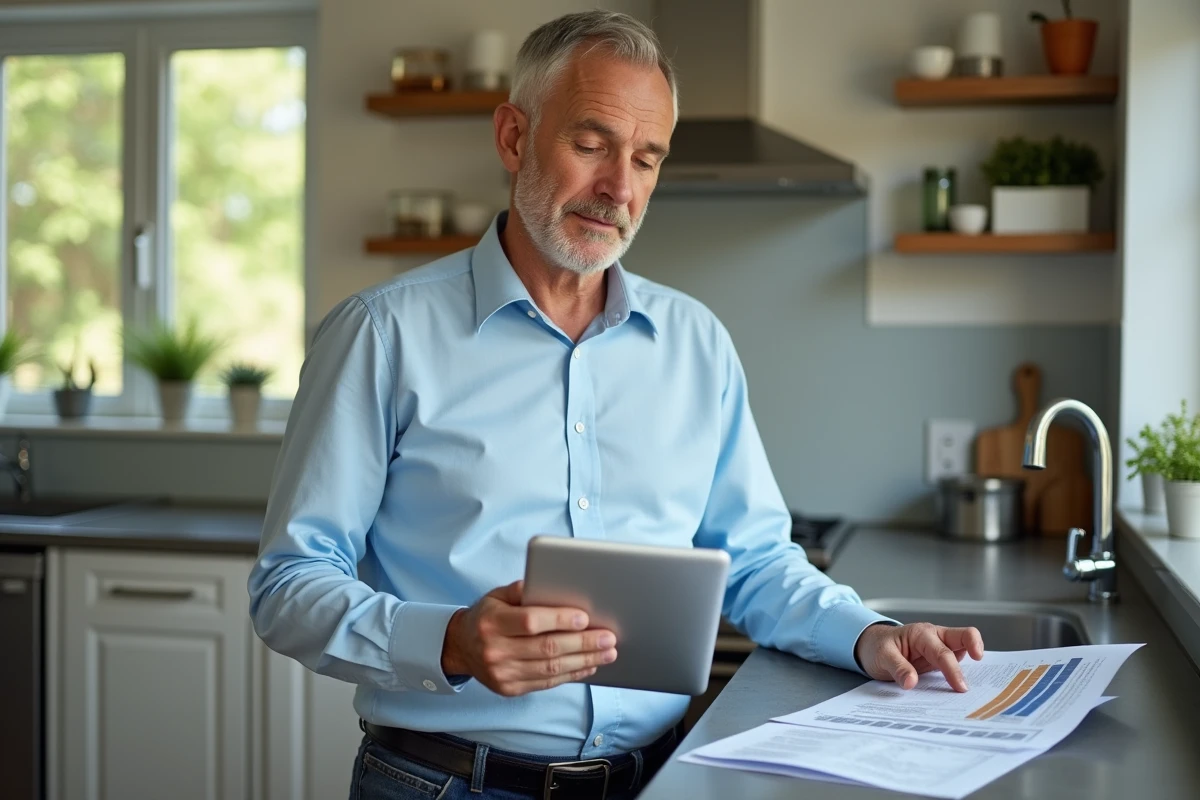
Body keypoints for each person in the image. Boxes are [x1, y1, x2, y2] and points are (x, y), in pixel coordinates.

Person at [248, 10, 985, 800]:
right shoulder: (380, 335)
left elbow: (759, 560)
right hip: (443, 784)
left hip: (656, 779)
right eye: (591, 144)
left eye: (646, 157)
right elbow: (289, 583)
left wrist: (871, 635)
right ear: (513, 138)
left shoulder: (696, 344)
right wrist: (454, 642)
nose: (618, 189)